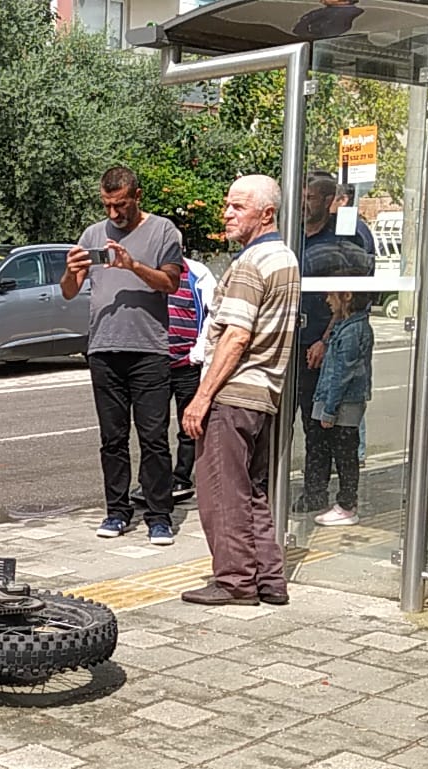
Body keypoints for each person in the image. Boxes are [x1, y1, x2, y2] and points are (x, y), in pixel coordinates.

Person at [181, 175, 301, 606]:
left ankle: (234, 582)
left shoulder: (251, 264)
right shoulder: (285, 258)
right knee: (252, 490)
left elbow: (235, 336)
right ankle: (269, 579)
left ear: (266, 214)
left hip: (233, 394)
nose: (227, 214)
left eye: (238, 207)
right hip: (264, 394)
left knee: (221, 491)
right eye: (227, 205)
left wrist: (201, 398)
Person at [64, 166, 186, 546]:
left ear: (137, 196)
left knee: (153, 437)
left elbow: (172, 283)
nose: (114, 214)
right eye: (107, 206)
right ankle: (117, 511)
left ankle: (159, 516)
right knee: (112, 438)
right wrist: (70, 272)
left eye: (120, 205)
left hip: (148, 349)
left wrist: (132, 266)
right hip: (103, 349)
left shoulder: (163, 231)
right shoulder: (92, 234)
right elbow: (70, 291)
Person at [296, 172, 374, 515]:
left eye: (311, 197)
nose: (304, 203)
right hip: (293, 340)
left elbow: (347, 298)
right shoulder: (294, 237)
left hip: (321, 344)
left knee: (321, 426)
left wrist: (325, 340)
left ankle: (319, 492)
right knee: (297, 420)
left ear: (330, 201)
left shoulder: (345, 238)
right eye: (302, 196)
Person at [132, 254, 215, 508]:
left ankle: (181, 479)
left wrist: (198, 352)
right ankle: (151, 481)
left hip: (187, 364)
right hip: (154, 364)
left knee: (189, 426)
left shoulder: (196, 274)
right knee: (151, 429)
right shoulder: (150, 272)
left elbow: (211, 314)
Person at [309, 290, 373, 527]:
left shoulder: (352, 331)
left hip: (344, 403)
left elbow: (342, 374)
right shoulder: (349, 326)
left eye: (331, 295)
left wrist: (329, 409)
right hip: (342, 400)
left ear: (346, 297)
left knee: (345, 454)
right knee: (342, 452)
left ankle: (347, 505)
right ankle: (345, 503)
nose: (327, 300)